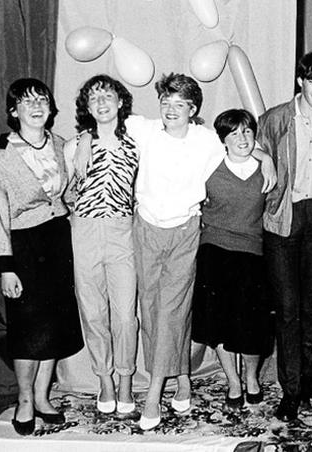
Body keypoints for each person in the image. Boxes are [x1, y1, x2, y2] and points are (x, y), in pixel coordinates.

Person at [75, 73, 276, 430]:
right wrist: (84, 140)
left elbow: (241, 144)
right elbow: (103, 121)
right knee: (151, 309)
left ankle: (153, 395)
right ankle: (182, 377)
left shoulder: (205, 140)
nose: (170, 110)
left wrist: (267, 158)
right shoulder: (142, 128)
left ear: (192, 109)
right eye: (165, 103)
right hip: (146, 230)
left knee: (171, 309)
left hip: (185, 232)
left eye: (179, 104)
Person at [0, 78, 84, 435]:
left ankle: (43, 397)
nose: (36, 105)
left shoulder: (61, 145)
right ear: (14, 111)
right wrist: (6, 268)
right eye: (26, 101)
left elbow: (69, 193)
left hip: (58, 242)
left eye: (41, 98)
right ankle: (25, 400)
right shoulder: (1, 157)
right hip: (24, 248)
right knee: (29, 331)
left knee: (54, 328)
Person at [257, 50, 312, 422]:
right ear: (300, 81)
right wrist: (262, 157)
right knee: (288, 308)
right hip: (284, 216)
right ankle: (290, 390)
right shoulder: (277, 118)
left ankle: (309, 377)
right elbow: (255, 149)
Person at [64, 75, 139, 417]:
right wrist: (83, 139)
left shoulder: (137, 143)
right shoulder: (72, 146)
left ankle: (125, 380)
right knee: (93, 313)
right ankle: (104, 381)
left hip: (123, 232)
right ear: (88, 108)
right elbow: (65, 195)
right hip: (85, 231)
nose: (102, 102)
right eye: (94, 98)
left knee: (125, 316)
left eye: (108, 95)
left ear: (120, 102)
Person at [191, 109, 273, 410]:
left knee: (252, 325)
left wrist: (266, 158)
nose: (242, 138)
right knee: (220, 323)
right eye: (235, 133)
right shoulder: (210, 165)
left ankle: (251, 377)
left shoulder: (265, 168)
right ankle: (233, 382)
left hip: (252, 251)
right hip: (214, 249)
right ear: (223, 139)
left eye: (248, 132)